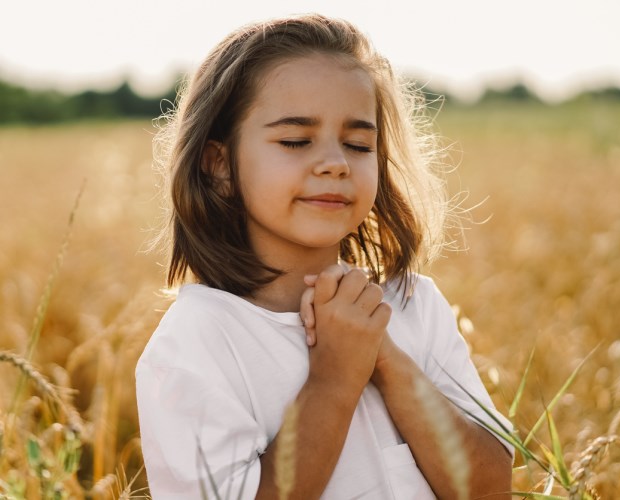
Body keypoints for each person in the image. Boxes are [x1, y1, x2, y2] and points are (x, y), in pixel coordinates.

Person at [136, 14, 514, 499]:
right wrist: (334, 378)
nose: (335, 163)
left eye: (358, 144)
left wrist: (387, 360)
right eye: (296, 140)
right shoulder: (197, 341)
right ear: (220, 165)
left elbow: (490, 488)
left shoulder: (413, 305)